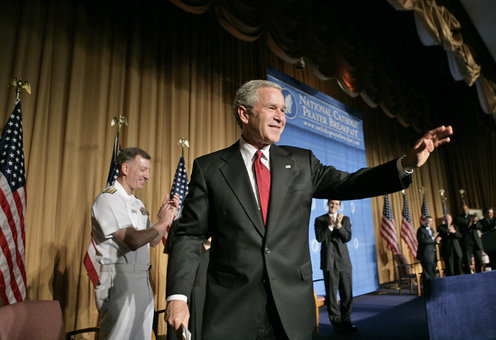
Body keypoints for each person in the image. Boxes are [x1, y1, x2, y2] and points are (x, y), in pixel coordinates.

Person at [164, 80, 453, 339]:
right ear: (244, 113)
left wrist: (405, 164)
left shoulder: (301, 163)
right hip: (232, 311)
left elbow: (351, 183)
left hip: (292, 310)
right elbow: (189, 236)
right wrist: (178, 296)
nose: (281, 117)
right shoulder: (210, 168)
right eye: (272, 109)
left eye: (284, 111)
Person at [91, 147, 179, 340]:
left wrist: (166, 218)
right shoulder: (108, 199)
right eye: (143, 169)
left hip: (141, 278)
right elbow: (132, 241)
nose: (147, 176)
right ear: (125, 168)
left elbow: (154, 242)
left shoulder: (138, 204)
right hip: (119, 279)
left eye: (148, 170)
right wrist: (162, 223)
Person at [314, 200, 356, 333]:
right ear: (328, 204)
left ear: (339, 205)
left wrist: (338, 226)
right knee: (332, 297)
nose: (334, 206)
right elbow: (320, 238)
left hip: (344, 262)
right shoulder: (320, 220)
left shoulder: (345, 219)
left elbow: (347, 238)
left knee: (347, 295)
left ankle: (347, 322)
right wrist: (330, 227)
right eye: (332, 203)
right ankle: (337, 326)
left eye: (337, 204)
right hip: (329, 263)